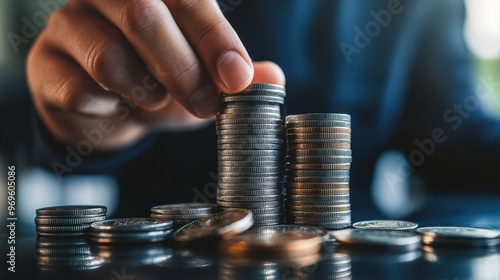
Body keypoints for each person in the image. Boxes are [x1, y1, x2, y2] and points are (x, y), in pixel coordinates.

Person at [23, 0, 500, 217]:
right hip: (170, 250)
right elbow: (43, 136)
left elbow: (455, 137)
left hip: (351, 253)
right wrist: (79, 123)